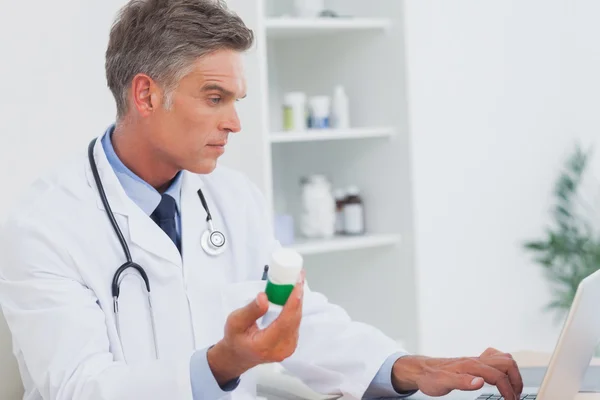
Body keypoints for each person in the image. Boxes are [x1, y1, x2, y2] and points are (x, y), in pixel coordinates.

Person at [0, 1, 523, 399]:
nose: (234, 122)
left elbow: (295, 318)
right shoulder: (45, 225)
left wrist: (402, 367)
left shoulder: (232, 197)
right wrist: (219, 365)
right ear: (145, 95)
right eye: (214, 98)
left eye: (235, 100)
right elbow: (78, 387)